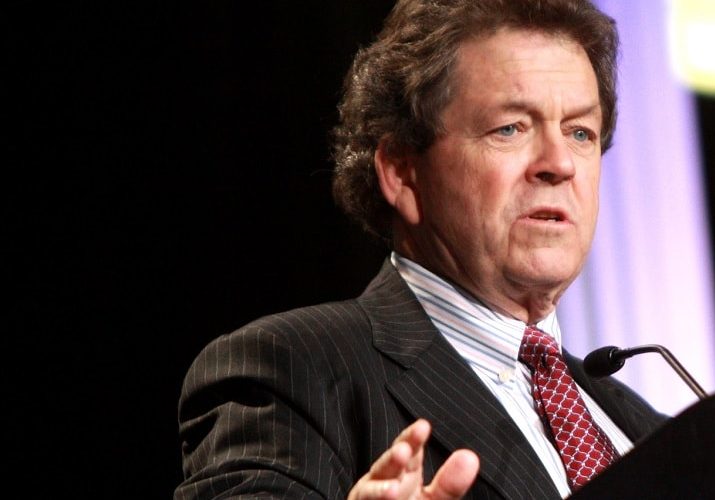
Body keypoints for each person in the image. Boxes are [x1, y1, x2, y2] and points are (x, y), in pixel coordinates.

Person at [174, 0, 670, 498]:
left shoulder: (651, 431)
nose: (560, 163)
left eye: (580, 132)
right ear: (401, 172)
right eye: (510, 128)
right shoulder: (291, 371)